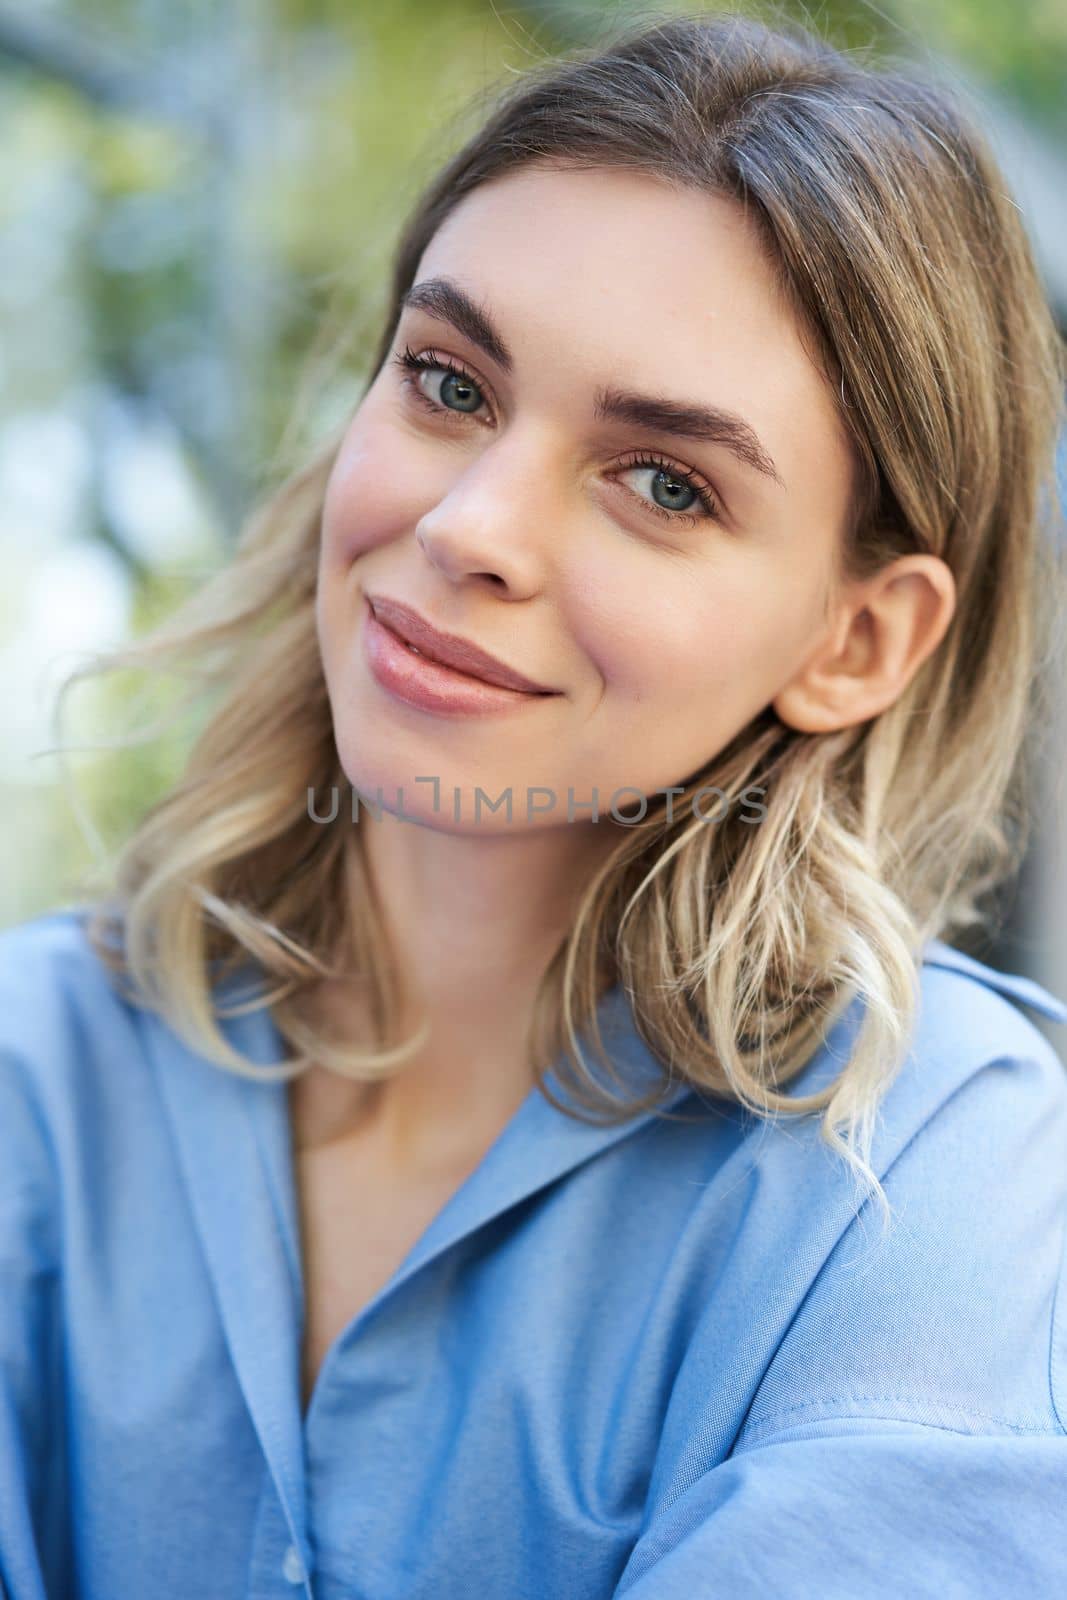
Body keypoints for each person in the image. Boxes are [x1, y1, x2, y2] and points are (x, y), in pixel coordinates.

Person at [2, 11, 1066, 1597]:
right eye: (447, 382)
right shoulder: (43, 1069)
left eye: (665, 483)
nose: (467, 524)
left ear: (857, 641)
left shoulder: (924, 1169)